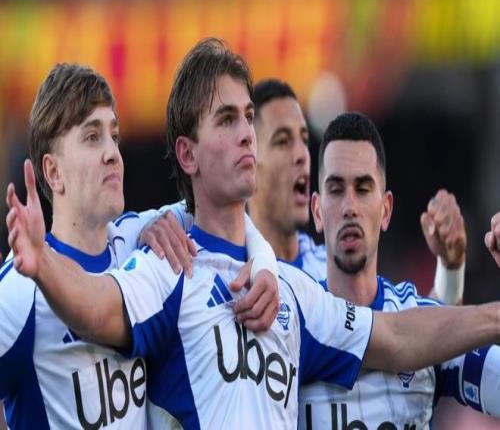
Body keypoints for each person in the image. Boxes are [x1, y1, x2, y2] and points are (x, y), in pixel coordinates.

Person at [6, 39, 500, 429]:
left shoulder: (289, 289)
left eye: (247, 117)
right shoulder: (166, 265)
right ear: (187, 154)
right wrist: (41, 261)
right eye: (227, 120)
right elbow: (100, 309)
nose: (247, 132)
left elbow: (395, 335)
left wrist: (493, 315)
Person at [0, 62, 277, 429]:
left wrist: (265, 263)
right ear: (53, 172)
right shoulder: (21, 288)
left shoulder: (139, 236)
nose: (112, 153)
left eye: (114, 135)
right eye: (92, 136)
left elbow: (227, 211)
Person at [298, 112, 500, 429]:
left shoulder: (424, 322)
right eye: (335, 190)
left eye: (363, 189)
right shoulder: (296, 321)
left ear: (386, 210)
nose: (349, 207)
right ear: (317, 211)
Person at [248, 79, 465, 305]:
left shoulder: (333, 265)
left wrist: (451, 268)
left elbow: (421, 321)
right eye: (282, 141)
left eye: (304, 139)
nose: (302, 154)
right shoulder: (229, 276)